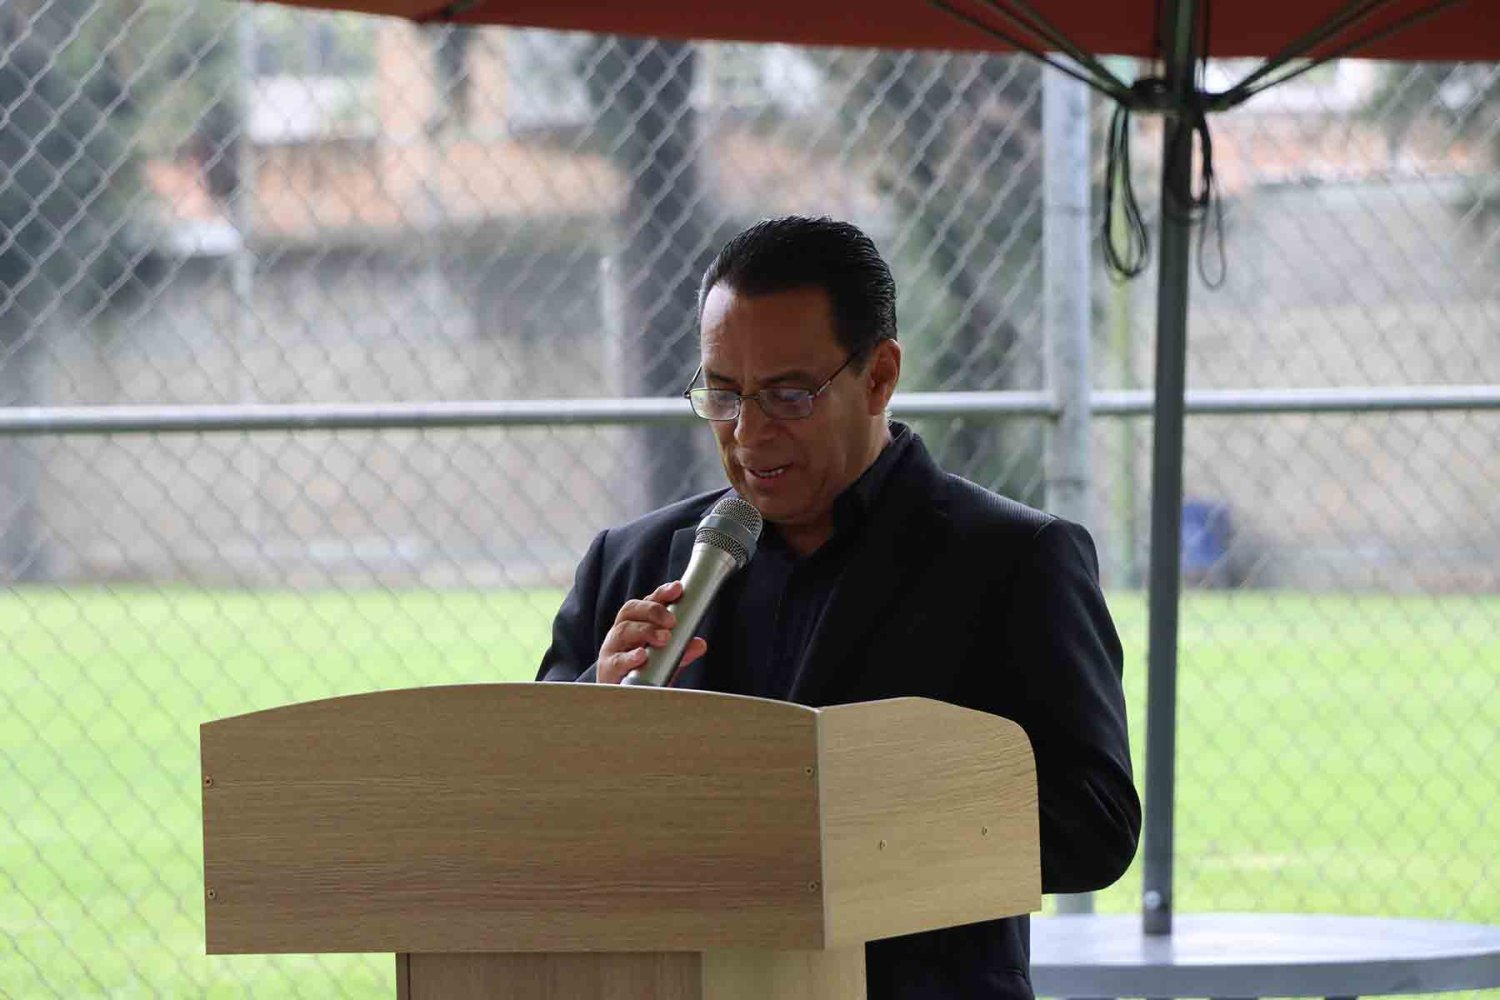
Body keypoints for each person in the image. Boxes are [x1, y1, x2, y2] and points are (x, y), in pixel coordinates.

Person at [537, 215, 1139, 1000]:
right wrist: (594, 703)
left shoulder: (1015, 561)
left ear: (880, 376)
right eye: (724, 394)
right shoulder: (630, 562)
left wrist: (845, 816)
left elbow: (1095, 825)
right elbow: (524, 807)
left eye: (788, 395)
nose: (749, 433)